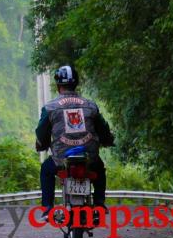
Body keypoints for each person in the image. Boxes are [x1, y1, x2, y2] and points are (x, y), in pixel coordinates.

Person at [35, 65, 114, 213]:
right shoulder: (91, 106)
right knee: (99, 169)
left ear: (58, 86)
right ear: (76, 84)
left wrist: (41, 144)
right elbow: (103, 129)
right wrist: (108, 140)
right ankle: (99, 203)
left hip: (61, 159)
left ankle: (47, 208)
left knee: (46, 170)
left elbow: (41, 132)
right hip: (89, 158)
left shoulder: (50, 107)